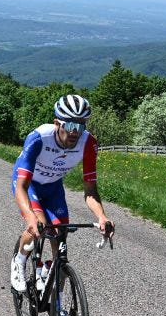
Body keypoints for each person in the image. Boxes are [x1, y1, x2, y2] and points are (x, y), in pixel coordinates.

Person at [10, 93, 113, 292]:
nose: (76, 133)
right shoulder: (39, 138)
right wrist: (30, 217)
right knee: (39, 226)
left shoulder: (88, 144)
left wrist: (102, 217)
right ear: (57, 123)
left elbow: (90, 190)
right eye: (71, 126)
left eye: (81, 126)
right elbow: (21, 186)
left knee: (60, 237)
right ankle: (20, 260)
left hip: (53, 187)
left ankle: (57, 307)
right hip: (29, 185)